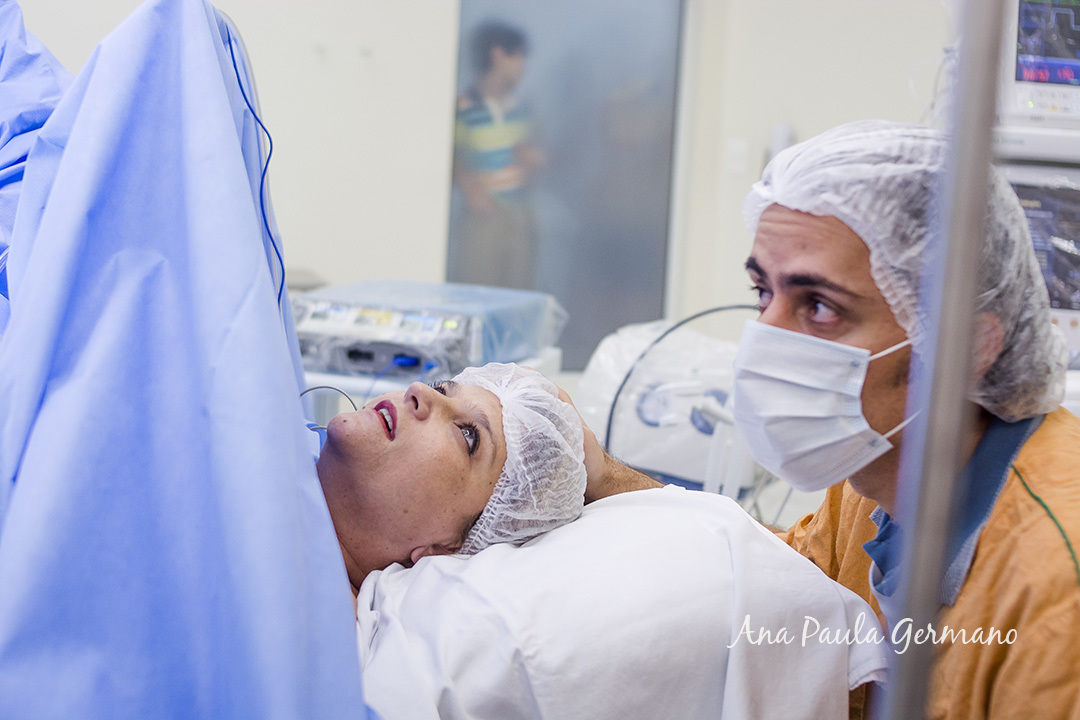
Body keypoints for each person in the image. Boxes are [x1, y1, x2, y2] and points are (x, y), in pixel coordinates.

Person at [586, 120, 1080, 718]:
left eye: (819, 307)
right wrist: (603, 479)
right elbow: (790, 583)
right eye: (763, 293)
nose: (762, 341)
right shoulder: (877, 477)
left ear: (966, 347)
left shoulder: (1057, 585)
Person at [316, 362, 588, 592]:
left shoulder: (301, 617)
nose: (419, 391)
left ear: (445, 549)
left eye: (468, 434)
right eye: (440, 388)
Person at [447, 20, 544, 290]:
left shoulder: (522, 108)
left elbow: (538, 156)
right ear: (498, 55)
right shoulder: (464, 107)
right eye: (519, 56)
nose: (523, 66)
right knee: (479, 293)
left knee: (518, 293)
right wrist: (471, 190)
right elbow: (448, 157)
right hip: (484, 217)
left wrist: (532, 163)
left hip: (521, 214)